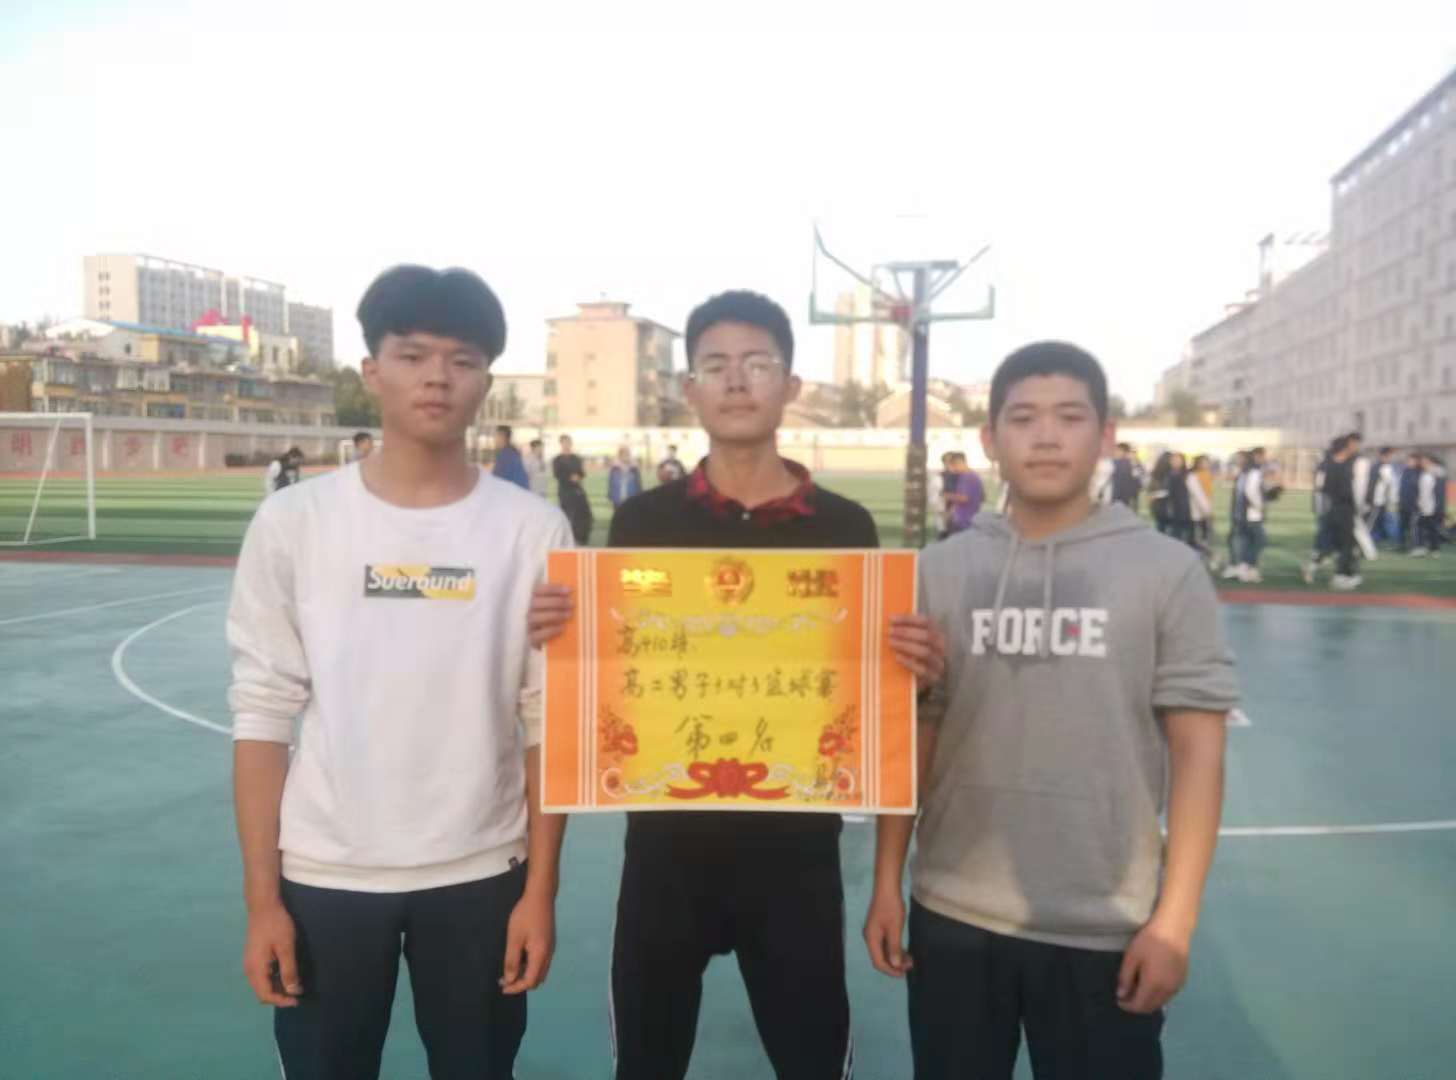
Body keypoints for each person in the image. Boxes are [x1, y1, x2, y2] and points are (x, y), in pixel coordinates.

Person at [525, 289, 944, 1080]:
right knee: (646, 1062)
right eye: (715, 365)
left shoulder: (844, 530)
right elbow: (620, 668)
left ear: (792, 386)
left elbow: (873, 698)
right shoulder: (643, 524)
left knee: (812, 1060)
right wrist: (564, 630)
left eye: (758, 364)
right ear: (690, 389)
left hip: (797, 858)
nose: (737, 380)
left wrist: (909, 662)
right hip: (665, 855)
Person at [228, 265, 571, 1080]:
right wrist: (263, 901)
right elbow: (262, 714)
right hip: (326, 874)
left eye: (462, 359)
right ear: (371, 371)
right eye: (413, 355)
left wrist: (540, 892)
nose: (437, 377)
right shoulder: (294, 522)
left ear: (486, 380)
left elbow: (547, 718)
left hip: (483, 871)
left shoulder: (533, 530)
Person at [864, 341, 1236, 1080]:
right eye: (1023, 417)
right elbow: (917, 732)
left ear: (1105, 436)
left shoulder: (1167, 571)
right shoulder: (938, 571)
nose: (1045, 436)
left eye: (1069, 417)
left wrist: (1174, 921)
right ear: (989, 438)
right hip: (954, 912)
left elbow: (1200, 753)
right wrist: (886, 883)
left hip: (1106, 923)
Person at [1306, 434, 1361, 589]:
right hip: (1343, 510)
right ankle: (1340, 575)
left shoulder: (1327, 465)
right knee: (1345, 545)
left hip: (1331, 508)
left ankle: (1317, 566)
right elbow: (1348, 492)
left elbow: (1321, 488)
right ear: (1344, 449)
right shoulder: (1343, 467)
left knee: (1333, 543)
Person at [1225, 447, 1268, 584]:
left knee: (1248, 541)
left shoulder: (1245, 473)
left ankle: (1247, 569)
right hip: (1251, 514)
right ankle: (1244, 567)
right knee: (1260, 541)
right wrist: (1259, 506)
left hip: (1242, 514)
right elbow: (1250, 492)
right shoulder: (1253, 472)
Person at [552, 434, 593, 545]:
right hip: (565, 491)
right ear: (561, 444)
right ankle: (567, 540)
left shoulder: (576, 458)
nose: (567, 444)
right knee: (568, 515)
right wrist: (570, 477)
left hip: (578, 490)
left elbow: (582, 472)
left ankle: (581, 538)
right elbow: (557, 474)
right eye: (565, 442)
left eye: (569, 442)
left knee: (584, 514)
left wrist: (578, 476)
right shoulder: (557, 459)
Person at [942, 452, 985, 537]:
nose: (952, 469)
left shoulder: (968, 477)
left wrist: (947, 496)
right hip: (964, 520)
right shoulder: (967, 476)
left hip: (964, 521)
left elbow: (964, 498)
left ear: (959, 462)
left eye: (953, 466)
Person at [1415, 452, 1446, 557]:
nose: (1422, 463)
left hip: (1433, 506)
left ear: (1430, 462)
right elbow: (1421, 491)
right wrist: (1419, 502)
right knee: (1421, 527)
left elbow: (1439, 492)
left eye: (1424, 461)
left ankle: (1434, 549)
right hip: (1423, 505)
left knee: (1432, 528)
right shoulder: (1423, 474)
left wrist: (1437, 506)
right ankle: (1422, 548)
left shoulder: (1437, 473)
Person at [1368, 447, 1397, 546]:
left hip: (1384, 500)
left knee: (1382, 520)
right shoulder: (1380, 468)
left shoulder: (1387, 467)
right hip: (1377, 500)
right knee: (1373, 520)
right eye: (1388, 456)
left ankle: (1381, 539)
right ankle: (1369, 539)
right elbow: (1374, 485)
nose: (1390, 458)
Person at [491, 425, 530, 490]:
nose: (494, 439)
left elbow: (498, 479)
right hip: (519, 491)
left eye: (495, 436)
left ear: (502, 436)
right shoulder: (511, 453)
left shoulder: (506, 456)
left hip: (513, 492)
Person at [1399, 451, 1423, 553]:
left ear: (1417, 461)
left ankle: (1416, 546)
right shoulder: (1405, 471)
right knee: (1403, 526)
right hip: (1404, 504)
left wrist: (1419, 503)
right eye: (1408, 460)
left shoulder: (1420, 473)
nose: (1408, 462)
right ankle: (1403, 545)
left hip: (1414, 505)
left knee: (1414, 526)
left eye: (1410, 460)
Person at [1147, 452, 1173, 534]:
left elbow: (1150, 491)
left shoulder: (1155, 474)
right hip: (1166, 507)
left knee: (1161, 528)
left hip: (1158, 507)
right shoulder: (1169, 475)